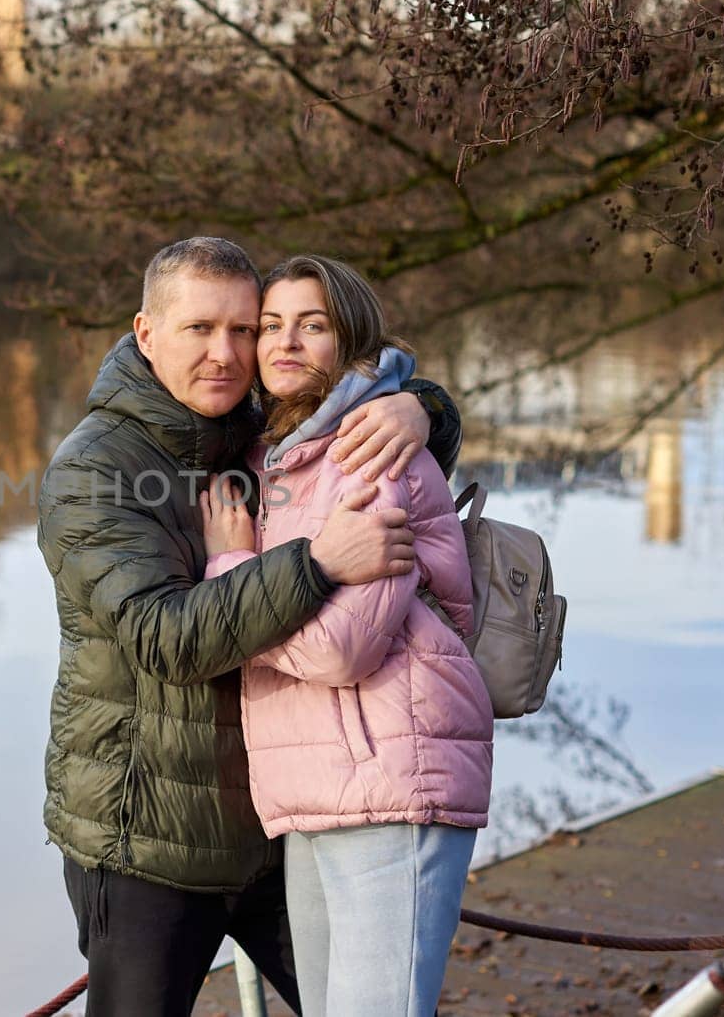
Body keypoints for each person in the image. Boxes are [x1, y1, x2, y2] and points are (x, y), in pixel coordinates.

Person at [36, 236, 463, 1016]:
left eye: (244, 329)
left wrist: (421, 407)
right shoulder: (94, 471)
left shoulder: (249, 426)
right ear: (146, 333)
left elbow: (343, 413)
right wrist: (316, 563)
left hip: (276, 826)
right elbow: (165, 639)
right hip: (148, 844)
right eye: (201, 329)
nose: (228, 354)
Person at [200, 254, 494, 1016]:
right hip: (317, 791)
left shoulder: (370, 451)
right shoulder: (277, 456)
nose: (285, 342)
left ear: (350, 339)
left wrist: (231, 579)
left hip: (391, 779)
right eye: (271, 325)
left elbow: (342, 649)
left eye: (313, 325)